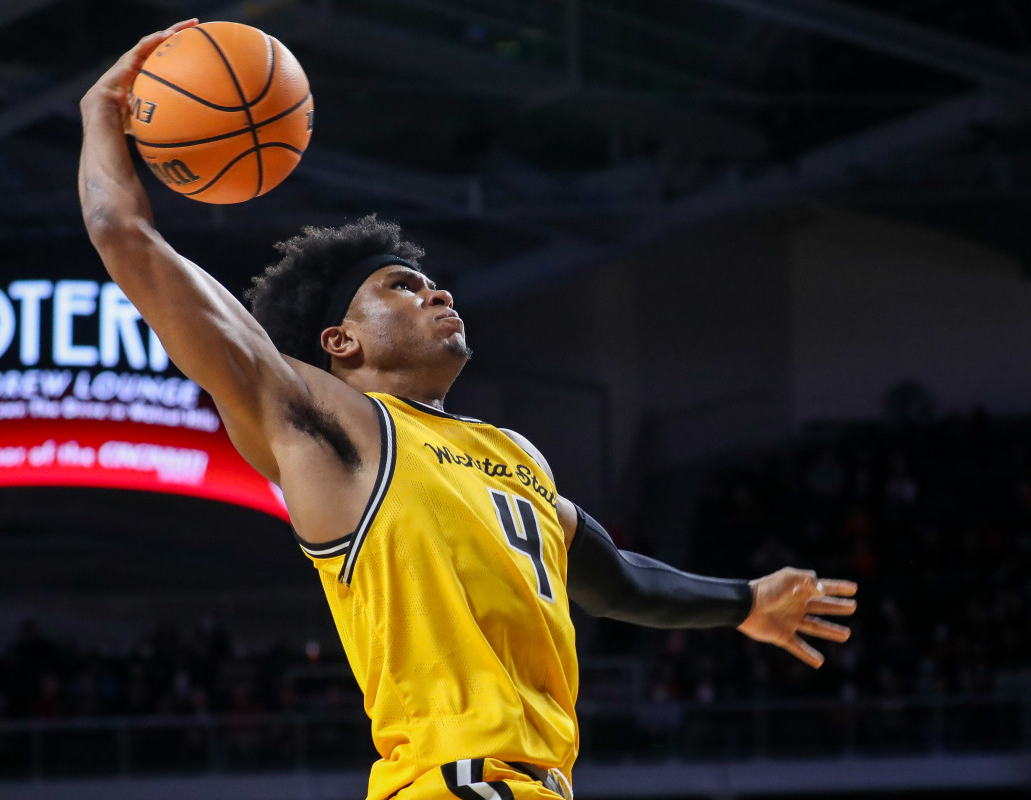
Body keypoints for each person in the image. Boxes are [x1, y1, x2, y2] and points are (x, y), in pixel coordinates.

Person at [79, 21, 858, 800]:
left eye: (431, 282)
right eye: (401, 288)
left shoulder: (515, 457)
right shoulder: (330, 427)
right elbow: (124, 234)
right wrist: (99, 117)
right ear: (339, 342)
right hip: (449, 784)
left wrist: (746, 602)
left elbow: (616, 580)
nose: (438, 292)